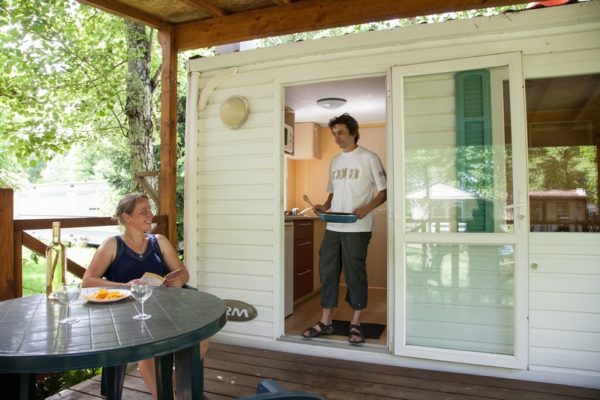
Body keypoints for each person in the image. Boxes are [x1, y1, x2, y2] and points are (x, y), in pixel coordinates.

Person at [82, 193, 205, 398]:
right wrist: (125, 286)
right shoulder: (112, 244)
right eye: (144, 212)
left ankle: (169, 386)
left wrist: (179, 280)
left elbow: (182, 272)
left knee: (203, 338)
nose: (151, 215)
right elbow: (88, 281)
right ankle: (164, 396)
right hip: (126, 314)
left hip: (163, 309)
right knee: (148, 348)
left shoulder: (159, 241)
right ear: (127, 217)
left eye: (150, 209)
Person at [302, 113, 387, 345]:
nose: (337, 138)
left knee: (354, 273)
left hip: (357, 226)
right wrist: (324, 206)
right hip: (333, 225)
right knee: (327, 271)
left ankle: (356, 323)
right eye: (334, 134)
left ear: (353, 132)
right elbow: (333, 191)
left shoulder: (369, 158)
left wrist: (366, 208)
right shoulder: (334, 161)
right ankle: (326, 321)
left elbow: (383, 192)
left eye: (340, 133)